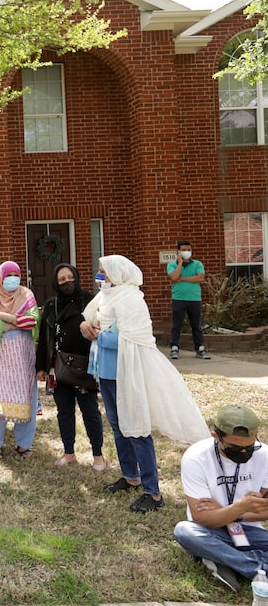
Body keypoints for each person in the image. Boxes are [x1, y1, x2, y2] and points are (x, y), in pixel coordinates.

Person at [80, 255, 209, 513]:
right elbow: (90, 320)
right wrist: (86, 326)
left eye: (104, 272)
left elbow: (136, 339)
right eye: (99, 271)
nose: (100, 276)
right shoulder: (105, 297)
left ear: (118, 274)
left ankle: (153, 492)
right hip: (106, 372)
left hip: (128, 372)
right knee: (118, 426)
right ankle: (131, 476)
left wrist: (99, 335)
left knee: (136, 428)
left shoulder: (131, 300)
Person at [174, 404, 268, 592]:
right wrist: (242, 506)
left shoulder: (264, 455)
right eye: (235, 447)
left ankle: (225, 560)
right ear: (216, 437)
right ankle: (259, 569)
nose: (244, 452)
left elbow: (265, 511)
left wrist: (229, 512)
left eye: (249, 447)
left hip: (249, 531)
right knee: (184, 531)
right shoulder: (196, 458)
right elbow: (203, 518)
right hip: (211, 531)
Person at [35, 263, 105, 470]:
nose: (67, 282)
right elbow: (44, 337)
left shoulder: (91, 300)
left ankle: (98, 455)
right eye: (62, 279)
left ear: (76, 276)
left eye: (70, 277)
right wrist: (41, 366)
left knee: (90, 411)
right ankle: (69, 452)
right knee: (64, 411)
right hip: (59, 368)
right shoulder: (51, 305)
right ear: (55, 283)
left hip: (85, 367)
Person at [0, 261, 40, 460]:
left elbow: (32, 321)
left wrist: (5, 317)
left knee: (25, 398)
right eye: (8, 275)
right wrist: (18, 321)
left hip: (22, 358)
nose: (13, 279)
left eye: (16, 274)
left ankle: (24, 444)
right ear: (0, 277)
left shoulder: (26, 294)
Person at [168, 240, 211, 360]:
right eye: (184, 250)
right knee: (177, 325)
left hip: (194, 299)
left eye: (189, 249)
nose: (187, 252)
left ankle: (200, 349)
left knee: (196, 325)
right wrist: (180, 263)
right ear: (178, 252)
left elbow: (200, 277)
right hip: (178, 299)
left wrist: (183, 278)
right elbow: (174, 277)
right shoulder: (172, 264)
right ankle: (174, 348)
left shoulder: (197, 264)